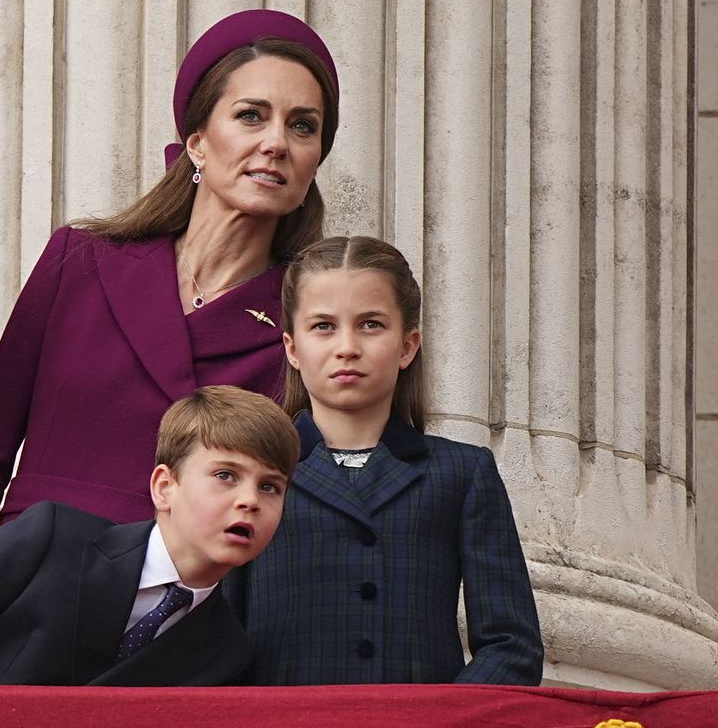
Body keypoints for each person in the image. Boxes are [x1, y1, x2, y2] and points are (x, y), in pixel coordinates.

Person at [0, 9, 341, 562]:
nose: (276, 142)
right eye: (251, 115)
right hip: (22, 607)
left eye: (302, 125)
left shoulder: (308, 323)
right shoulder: (79, 262)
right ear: (197, 141)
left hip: (184, 627)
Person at [0, 385, 299, 686]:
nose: (250, 500)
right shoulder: (54, 538)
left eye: (271, 487)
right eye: (226, 475)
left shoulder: (225, 651)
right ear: (164, 486)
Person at [227, 236, 543, 685]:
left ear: (408, 345)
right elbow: (216, 637)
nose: (347, 347)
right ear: (292, 348)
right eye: (323, 326)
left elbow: (513, 645)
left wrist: (440, 721)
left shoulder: (462, 473)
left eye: (371, 325)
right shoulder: (253, 474)